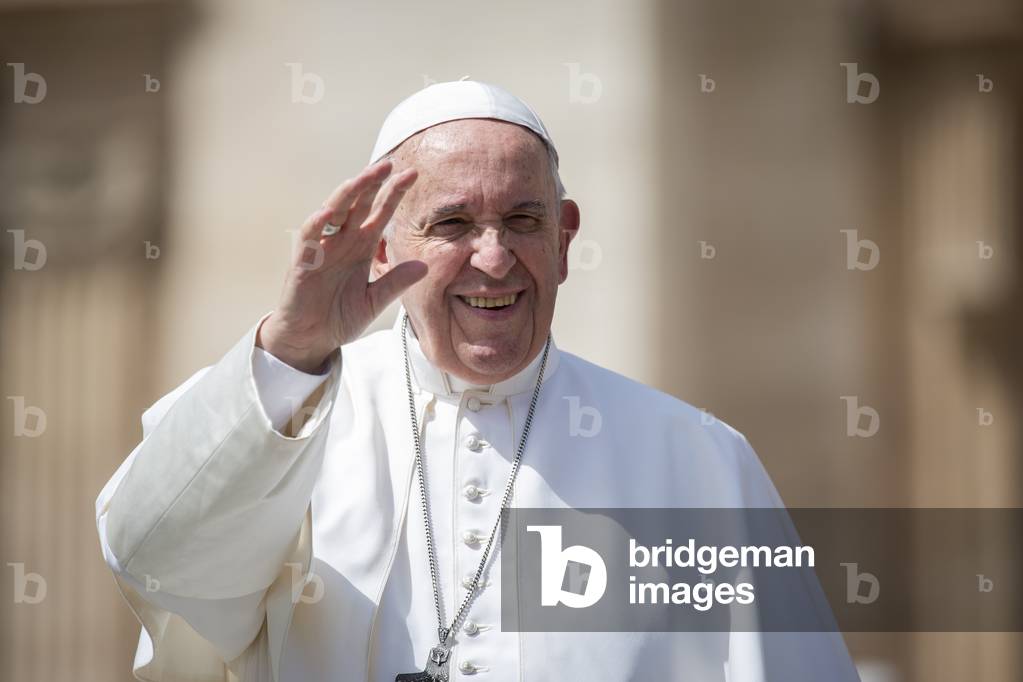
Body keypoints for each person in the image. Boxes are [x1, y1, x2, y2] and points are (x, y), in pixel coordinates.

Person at [95, 80, 860, 681]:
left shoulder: (696, 458)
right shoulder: (278, 410)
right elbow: (153, 555)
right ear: (381, 245)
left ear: (564, 240)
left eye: (522, 222)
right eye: (453, 225)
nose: (493, 260)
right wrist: (293, 345)